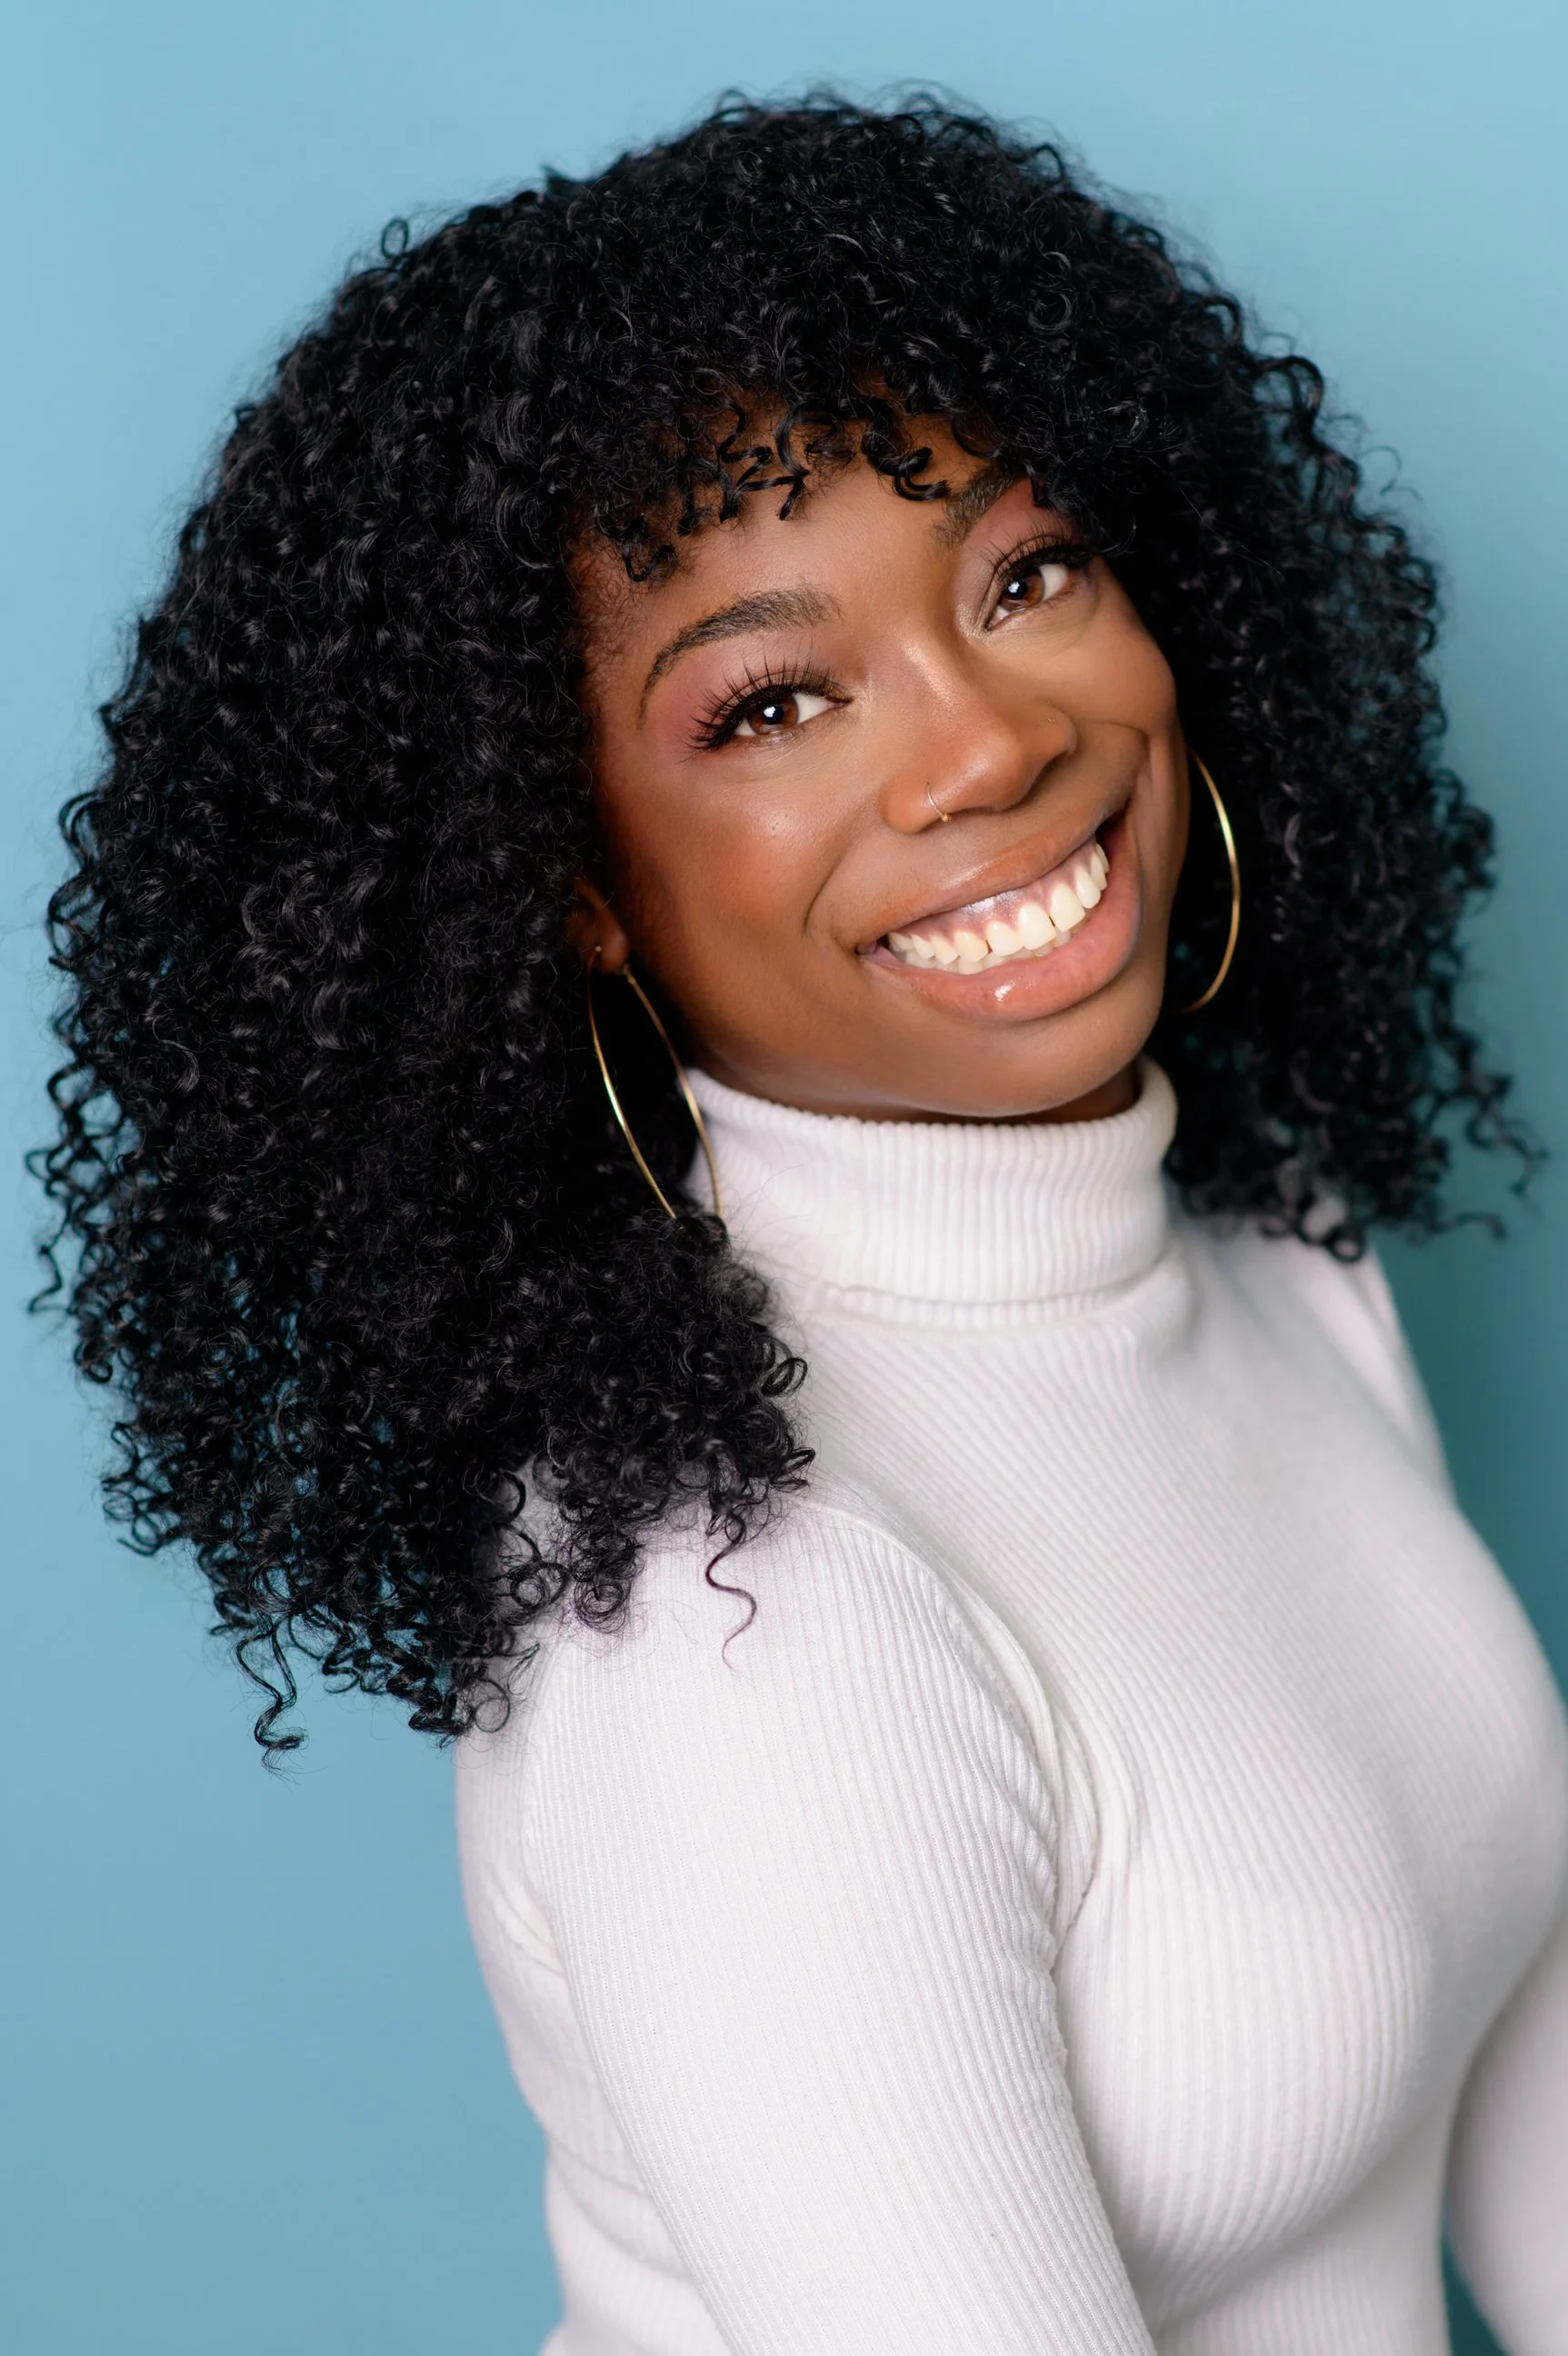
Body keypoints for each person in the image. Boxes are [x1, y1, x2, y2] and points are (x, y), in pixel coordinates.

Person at [38, 95, 1567, 2356]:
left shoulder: (1278, 1253)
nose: (980, 747)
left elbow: (1523, 2071)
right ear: (559, 885)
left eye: (1023, 575)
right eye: (771, 702)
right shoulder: (751, 1614)